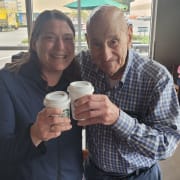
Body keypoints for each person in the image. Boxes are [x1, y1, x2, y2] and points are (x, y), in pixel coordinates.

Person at [75, 5, 180, 180]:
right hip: (94, 172)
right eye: (97, 44)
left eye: (113, 41)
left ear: (129, 35)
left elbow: (166, 146)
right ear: (87, 41)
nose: (106, 55)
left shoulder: (157, 78)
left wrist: (118, 118)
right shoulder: (83, 64)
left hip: (140, 175)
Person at [0, 10, 83, 180]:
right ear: (33, 43)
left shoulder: (76, 83)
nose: (61, 46)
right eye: (50, 38)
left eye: (68, 38)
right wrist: (34, 134)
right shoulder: (7, 82)